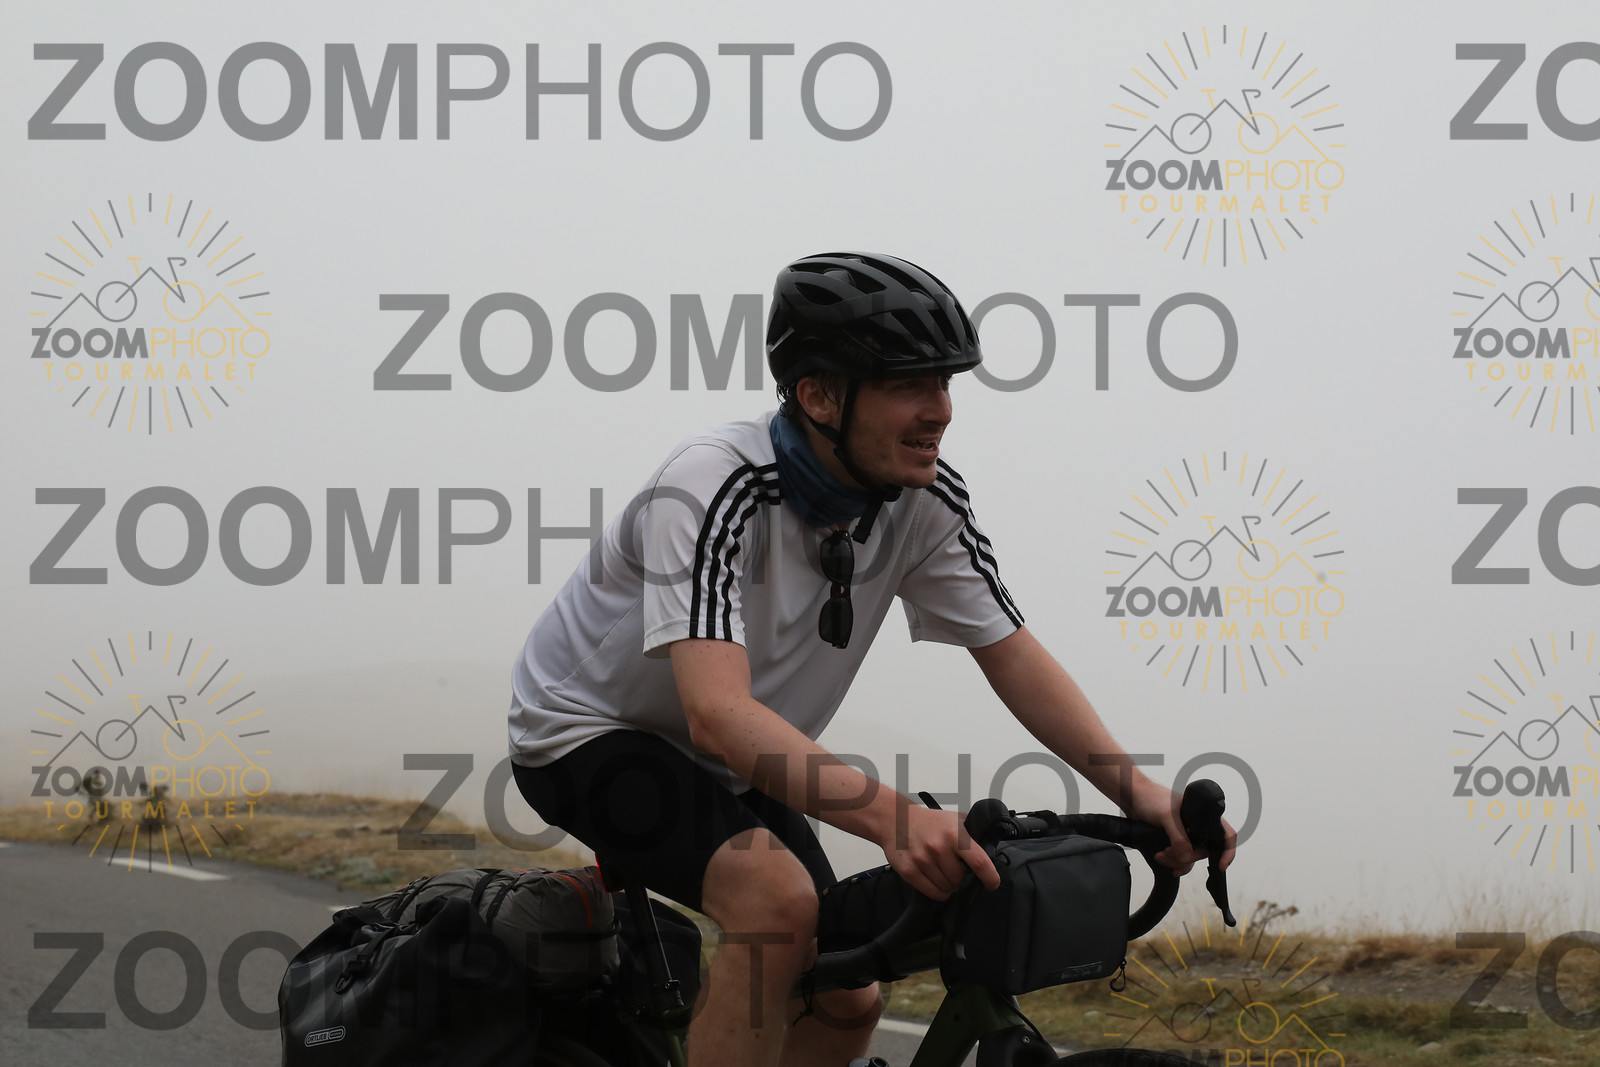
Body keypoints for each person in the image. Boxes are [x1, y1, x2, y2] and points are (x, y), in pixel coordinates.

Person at [508, 251, 1236, 1067]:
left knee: (846, 993)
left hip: (737, 754)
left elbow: (1011, 653)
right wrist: (896, 820)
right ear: (818, 395)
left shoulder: (924, 498)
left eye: (946, 382)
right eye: (909, 384)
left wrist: (1140, 793)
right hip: (584, 731)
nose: (942, 410)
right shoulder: (711, 485)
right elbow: (715, 713)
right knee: (775, 904)